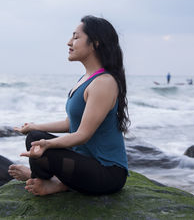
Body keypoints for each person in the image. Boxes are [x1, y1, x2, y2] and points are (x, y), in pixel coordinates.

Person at [8, 15, 130, 196]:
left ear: (95, 43)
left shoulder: (104, 82)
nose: (68, 42)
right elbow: (70, 123)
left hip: (107, 173)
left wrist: (47, 144)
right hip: (83, 163)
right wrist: (35, 127)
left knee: (41, 145)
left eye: (75, 37)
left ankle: (52, 182)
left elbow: (82, 135)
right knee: (34, 136)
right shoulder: (86, 79)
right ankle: (53, 181)